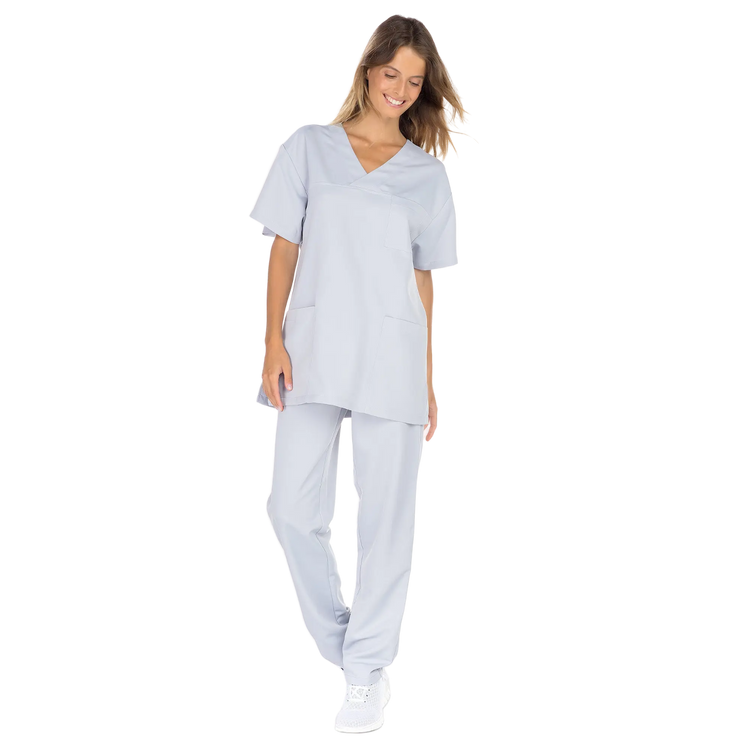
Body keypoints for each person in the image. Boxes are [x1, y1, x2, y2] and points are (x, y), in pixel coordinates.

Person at [246, 12, 479, 737]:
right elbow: (282, 250)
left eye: (414, 81)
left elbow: (425, 284)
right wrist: (271, 343)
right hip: (311, 351)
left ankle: (368, 671)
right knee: (288, 510)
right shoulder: (307, 146)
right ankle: (352, 654)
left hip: (394, 360)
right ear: (367, 70)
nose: (400, 91)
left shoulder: (427, 175)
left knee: (385, 521)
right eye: (391, 75)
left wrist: (431, 380)